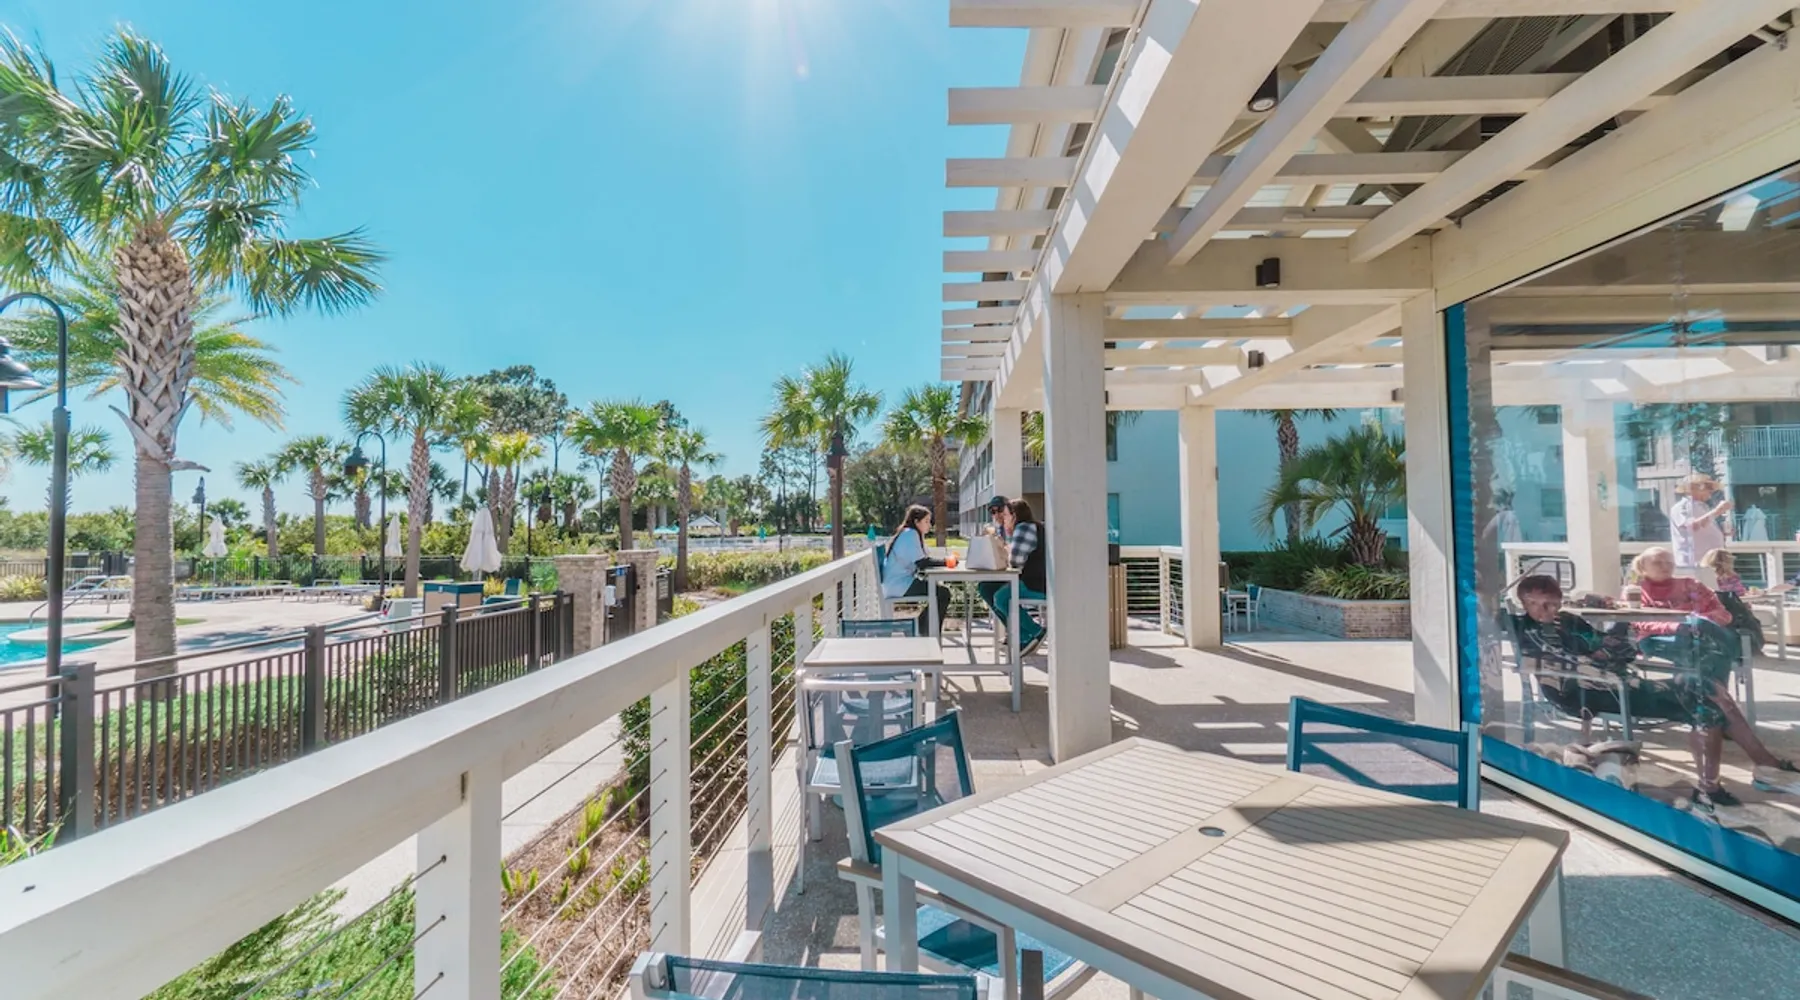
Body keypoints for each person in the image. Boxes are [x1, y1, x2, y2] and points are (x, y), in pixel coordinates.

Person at [1625, 547, 1796, 809]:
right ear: (1642, 566)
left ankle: (1714, 785)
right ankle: (1761, 765)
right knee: (1712, 686)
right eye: (1658, 562)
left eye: (1669, 561)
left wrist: (1697, 623)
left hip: (1704, 642)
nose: (1665, 566)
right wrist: (1681, 626)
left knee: (1705, 686)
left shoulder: (1691, 584)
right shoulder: (1637, 590)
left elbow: (1723, 614)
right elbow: (1641, 623)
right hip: (1667, 641)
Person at [978, 498, 1048, 656]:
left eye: (1005, 514)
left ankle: (1034, 631)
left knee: (1001, 598)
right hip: (1033, 580)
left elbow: (1015, 561)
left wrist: (1006, 548)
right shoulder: (1029, 527)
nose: (1003, 518)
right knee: (986, 587)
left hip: (1035, 584)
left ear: (1014, 515)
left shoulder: (1024, 528)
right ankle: (1019, 634)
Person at [879, 505, 953, 637]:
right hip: (899, 584)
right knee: (942, 593)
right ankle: (925, 631)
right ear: (916, 522)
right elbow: (922, 563)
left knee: (940, 592)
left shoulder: (910, 533)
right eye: (926, 521)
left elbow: (923, 560)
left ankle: (918, 628)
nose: (929, 525)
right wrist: (946, 562)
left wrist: (943, 561)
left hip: (898, 583)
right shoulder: (910, 534)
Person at [1668, 474, 1731, 586]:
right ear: (1695, 489)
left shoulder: (1702, 507)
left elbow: (1703, 527)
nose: (1711, 491)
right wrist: (1717, 511)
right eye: (1708, 487)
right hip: (1694, 563)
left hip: (1711, 563)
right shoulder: (1682, 507)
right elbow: (1691, 526)